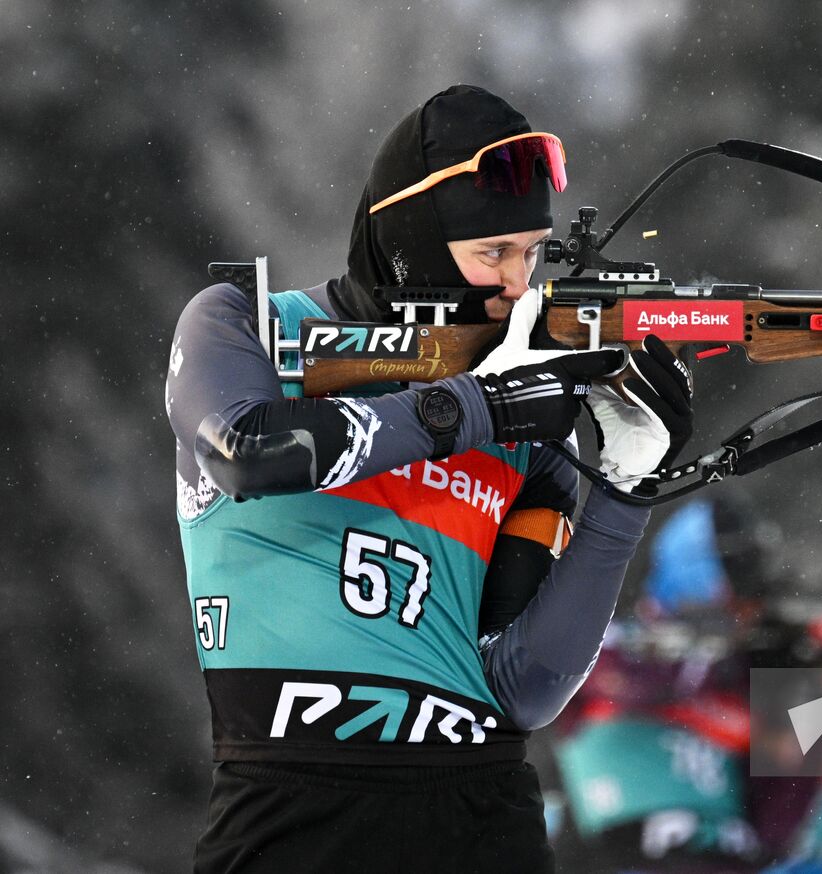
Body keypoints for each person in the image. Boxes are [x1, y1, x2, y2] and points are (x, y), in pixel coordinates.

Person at [165, 84, 692, 872]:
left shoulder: (526, 422)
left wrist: (624, 490)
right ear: (410, 241)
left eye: (533, 253)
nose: (520, 285)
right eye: (494, 254)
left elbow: (526, 689)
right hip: (288, 814)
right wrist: (479, 405)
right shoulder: (245, 324)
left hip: (481, 818)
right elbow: (247, 451)